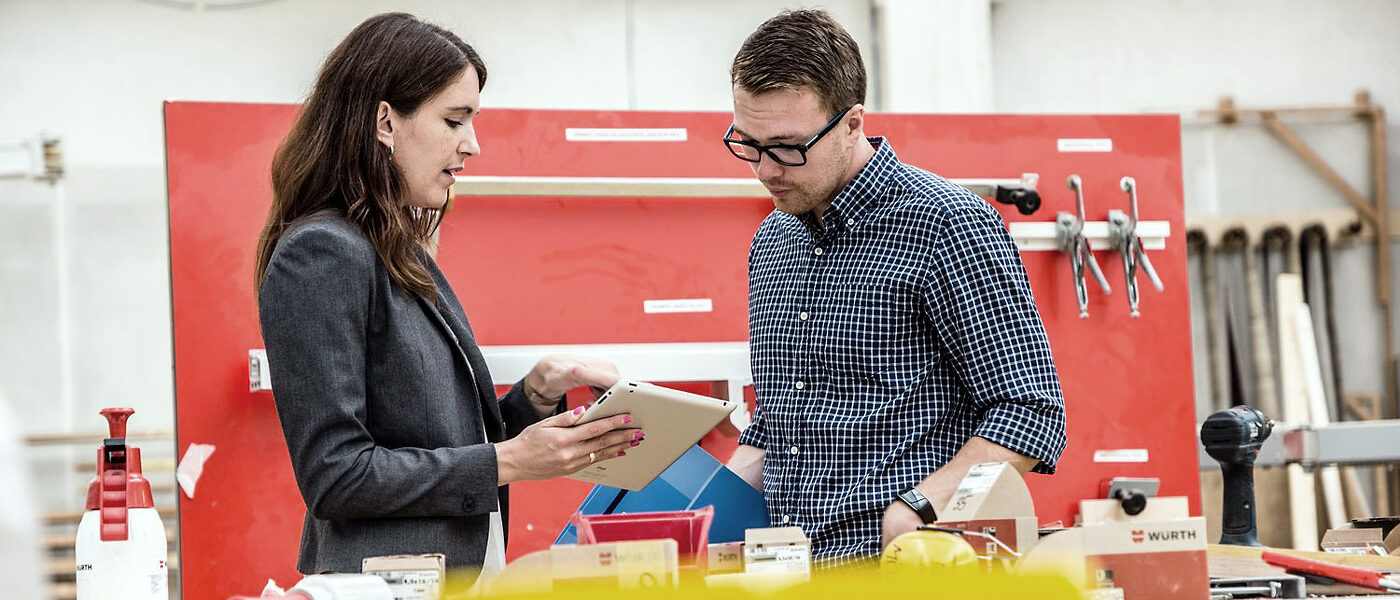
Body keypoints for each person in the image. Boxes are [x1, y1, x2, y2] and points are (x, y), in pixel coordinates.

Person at [254, 13, 642, 583]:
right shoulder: (321, 253)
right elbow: (335, 476)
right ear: (386, 121)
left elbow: (444, 441)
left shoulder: (395, 247)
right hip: (384, 584)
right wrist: (509, 461)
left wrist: (533, 396)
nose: (474, 145)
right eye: (455, 120)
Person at [722, 9, 1068, 563]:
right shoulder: (772, 239)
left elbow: (1029, 413)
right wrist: (712, 507)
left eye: (787, 147)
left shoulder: (946, 224)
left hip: (899, 569)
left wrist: (916, 510)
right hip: (783, 572)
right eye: (748, 144)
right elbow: (781, 417)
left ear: (852, 122)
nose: (765, 170)